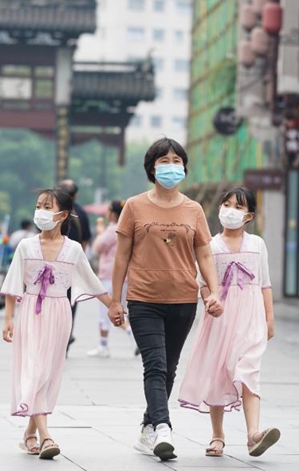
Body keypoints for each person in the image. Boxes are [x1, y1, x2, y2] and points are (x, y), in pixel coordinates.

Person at [108, 138, 223, 461]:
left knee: (169, 368)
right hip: (144, 298)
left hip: (184, 299)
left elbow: (204, 252)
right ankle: (163, 427)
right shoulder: (134, 206)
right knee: (155, 365)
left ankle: (147, 427)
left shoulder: (194, 209)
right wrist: (115, 301)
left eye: (176, 160)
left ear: (184, 167)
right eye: (164, 160)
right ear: (152, 168)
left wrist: (213, 291)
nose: (171, 165)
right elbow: (121, 257)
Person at [1, 188, 113, 460]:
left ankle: (29, 434)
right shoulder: (26, 246)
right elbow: (14, 282)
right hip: (30, 311)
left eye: (47, 206)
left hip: (60, 313)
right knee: (35, 370)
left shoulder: (73, 249)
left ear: (62, 214)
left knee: (48, 373)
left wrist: (114, 307)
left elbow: (92, 281)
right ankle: (46, 436)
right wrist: (8, 319)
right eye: (38, 205)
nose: (40, 210)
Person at [179, 187, 279, 458]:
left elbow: (265, 285)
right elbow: (202, 283)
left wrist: (269, 320)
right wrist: (210, 300)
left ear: (248, 216)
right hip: (221, 320)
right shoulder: (210, 246)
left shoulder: (257, 245)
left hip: (251, 318)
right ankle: (217, 434)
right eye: (226, 204)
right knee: (219, 372)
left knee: (248, 370)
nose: (230, 210)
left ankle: (253, 434)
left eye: (238, 206)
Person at [87, 199, 138, 358]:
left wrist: (100, 233)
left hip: (109, 276)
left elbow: (96, 249)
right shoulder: (131, 228)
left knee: (107, 310)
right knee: (122, 308)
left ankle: (105, 344)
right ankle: (132, 336)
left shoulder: (111, 230)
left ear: (113, 214)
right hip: (126, 277)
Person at [57, 179, 92, 351]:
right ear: (76, 194)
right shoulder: (81, 213)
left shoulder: (52, 211)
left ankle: (55, 337)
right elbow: (86, 239)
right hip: (72, 266)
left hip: (52, 265)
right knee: (70, 301)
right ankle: (66, 334)